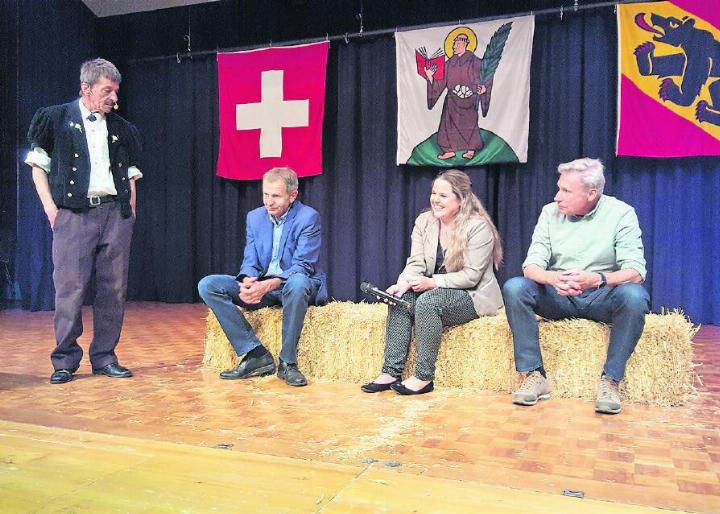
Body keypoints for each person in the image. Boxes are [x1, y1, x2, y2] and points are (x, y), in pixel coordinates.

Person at [25, 58, 142, 384]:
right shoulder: (54, 118)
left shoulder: (122, 128)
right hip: (73, 215)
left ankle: (105, 357)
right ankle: (64, 360)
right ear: (86, 88)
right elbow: (38, 167)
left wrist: (130, 211)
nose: (113, 98)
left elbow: (131, 174)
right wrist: (51, 209)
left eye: (115, 92)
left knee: (114, 290)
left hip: (114, 215)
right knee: (70, 289)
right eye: (107, 91)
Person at [502, 158, 650, 414]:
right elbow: (531, 266)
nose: (557, 196)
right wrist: (553, 279)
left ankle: (611, 380)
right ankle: (535, 375)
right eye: (559, 188)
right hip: (559, 295)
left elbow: (636, 271)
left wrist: (598, 279)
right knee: (516, 287)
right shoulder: (550, 212)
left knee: (635, 296)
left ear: (591, 194)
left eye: (566, 191)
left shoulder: (621, 213)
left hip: (601, 296)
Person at [362, 170, 503, 395]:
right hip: (433, 286)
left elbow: (471, 276)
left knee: (428, 302)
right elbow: (416, 262)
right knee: (401, 299)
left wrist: (432, 282)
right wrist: (404, 283)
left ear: (461, 199)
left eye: (443, 195)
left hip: (472, 294)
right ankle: (391, 371)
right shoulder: (425, 221)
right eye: (433, 193)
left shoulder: (478, 227)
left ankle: (423, 377)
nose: (435, 199)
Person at [198, 167, 327, 387]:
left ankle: (287, 363)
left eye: (276, 195)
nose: (269, 201)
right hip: (265, 286)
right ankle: (254, 353)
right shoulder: (255, 217)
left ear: (292, 195)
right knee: (209, 284)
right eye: (265, 194)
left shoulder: (308, 217)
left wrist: (266, 285)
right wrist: (248, 279)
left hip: (295, 285)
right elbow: (250, 260)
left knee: (297, 283)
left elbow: (303, 266)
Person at [425, 32, 490, 160]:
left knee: (470, 123)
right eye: (454, 43)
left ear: (465, 44)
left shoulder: (475, 62)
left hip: (469, 99)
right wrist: (430, 77)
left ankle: (471, 149)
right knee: (447, 124)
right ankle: (449, 150)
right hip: (452, 100)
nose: (454, 46)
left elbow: (485, 75)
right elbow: (440, 82)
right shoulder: (449, 63)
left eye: (457, 43)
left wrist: (483, 90)